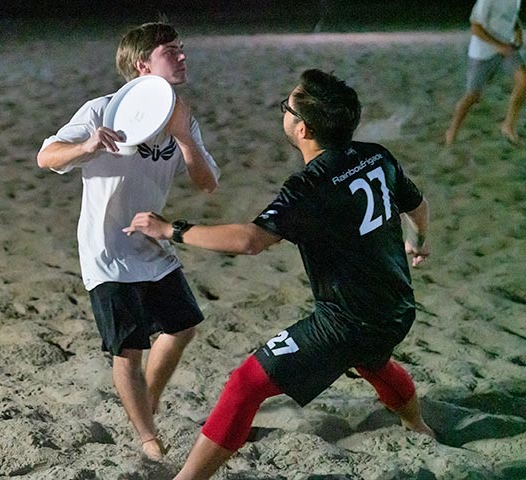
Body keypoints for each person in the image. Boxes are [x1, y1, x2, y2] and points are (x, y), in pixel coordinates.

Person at [124, 69, 434, 479]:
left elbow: (250, 241)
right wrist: (418, 241)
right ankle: (419, 426)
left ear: (302, 129)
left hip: (347, 321)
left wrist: (172, 230)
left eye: (286, 107)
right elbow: (418, 206)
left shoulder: (309, 186)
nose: (283, 112)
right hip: (397, 306)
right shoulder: (376, 156)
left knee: (245, 384)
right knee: (372, 359)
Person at [36, 21, 219, 461]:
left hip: (151, 242)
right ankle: (148, 440)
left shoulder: (180, 115)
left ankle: (146, 402)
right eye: (170, 51)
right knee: (129, 350)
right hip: (107, 250)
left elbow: (207, 183)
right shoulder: (102, 110)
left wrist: (184, 138)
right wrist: (87, 148)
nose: (182, 56)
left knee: (183, 327)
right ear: (142, 65)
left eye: (181, 48)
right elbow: (46, 157)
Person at [445, 0, 526, 145]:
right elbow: (475, 27)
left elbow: (509, 16)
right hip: (482, 52)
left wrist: (518, 29)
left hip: (506, 47)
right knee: (473, 96)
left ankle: (508, 126)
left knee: (523, 81)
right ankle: (452, 131)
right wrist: (499, 46)